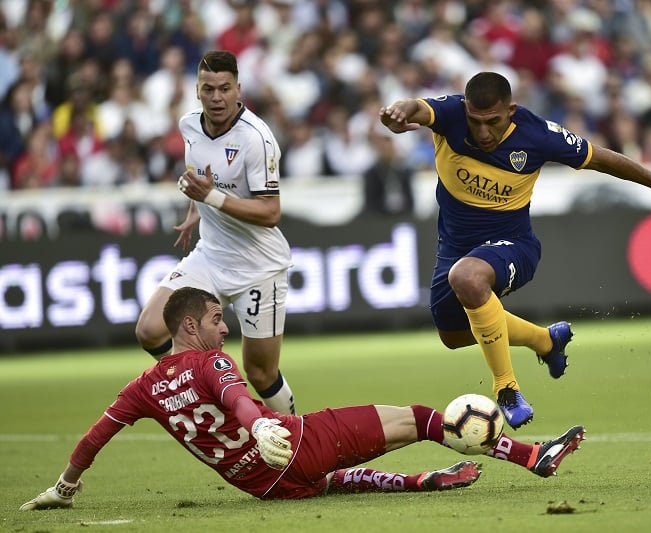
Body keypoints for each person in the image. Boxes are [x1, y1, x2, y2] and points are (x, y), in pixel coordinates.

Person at [20, 287, 586, 508]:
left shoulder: (143, 386)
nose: (225, 330)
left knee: (328, 479)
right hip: (294, 446)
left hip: (261, 484)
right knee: (422, 418)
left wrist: (65, 485)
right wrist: (261, 424)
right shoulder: (209, 360)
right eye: (218, 320)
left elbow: (96, 436)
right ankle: (532, 456)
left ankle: (419, 482)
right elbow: (236, 397)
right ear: (190, 325)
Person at [378, 71, 651, 430]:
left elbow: (600, 158)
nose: (483, 132)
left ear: (511, 111)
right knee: (452, 336)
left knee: (467, 278)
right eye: (476, 121)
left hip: (515, 246)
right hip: (454, 249)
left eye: (493, 122)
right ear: (465, 108)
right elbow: (415, 107)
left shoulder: (538, 135)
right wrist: (397, 113)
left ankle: (508, 390)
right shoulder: (450, 114)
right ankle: (546, 340)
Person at [134, 50, 295, 415]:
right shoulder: (189, 124)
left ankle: (297, 440)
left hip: (259, 267)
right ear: (197, 90)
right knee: (150, 330)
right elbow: (204, 175)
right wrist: (197, 207)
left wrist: (212, 198)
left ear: (238, 89)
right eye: (209, 89)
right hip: (210, 257)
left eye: (225, 88)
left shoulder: (257, 138)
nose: (217, 97)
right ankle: (201, 395)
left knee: (260, 371)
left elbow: (271, 212)